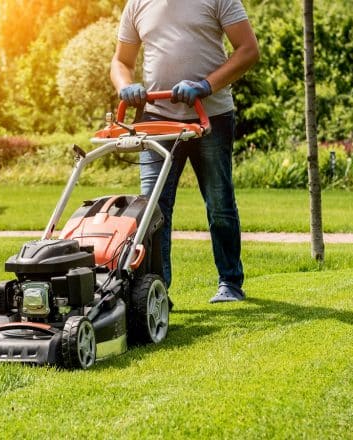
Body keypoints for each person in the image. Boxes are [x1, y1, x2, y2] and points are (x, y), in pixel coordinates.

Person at [110, 0, 259, 303]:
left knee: (219, 203)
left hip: (211, 117)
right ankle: (156, 292)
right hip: (156, 121)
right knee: (152, 210)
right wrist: (126, 85)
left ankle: (230, 282)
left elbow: (248, 50)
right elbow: (121, 61)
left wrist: (205, 85)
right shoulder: (138, 4)